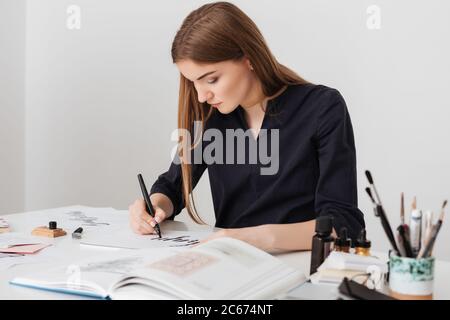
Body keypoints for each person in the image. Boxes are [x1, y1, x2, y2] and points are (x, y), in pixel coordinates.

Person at [129, 1, 365, 252]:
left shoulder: (322, 108)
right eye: (193, 83)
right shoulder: (212, 118)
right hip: (231, 266)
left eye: (211, 79)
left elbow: (342, 223)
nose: (200, 96)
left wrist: (253, 238)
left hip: (301, 265)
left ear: (248, 58)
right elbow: (172, 186)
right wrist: (154, 206)